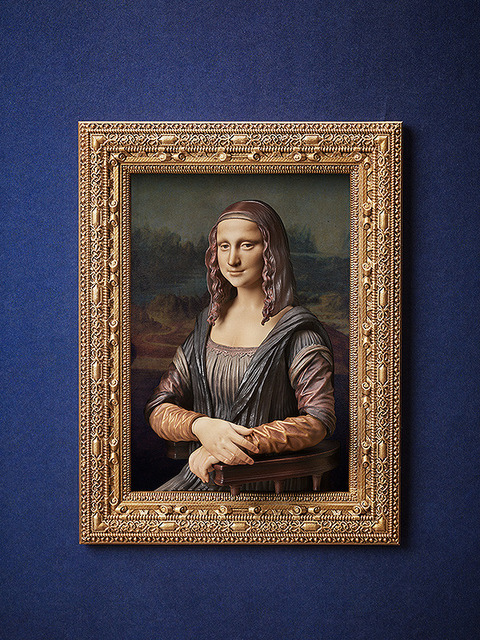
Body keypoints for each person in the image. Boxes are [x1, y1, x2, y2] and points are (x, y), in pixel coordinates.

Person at [145, 200, 335, 491]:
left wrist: (231, 444)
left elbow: (317, 421)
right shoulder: (206, 326)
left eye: (246, 245)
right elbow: (160, 406)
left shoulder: (298, 331)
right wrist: (202, 427)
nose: (232, 259)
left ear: (270, 251)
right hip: (202, 475)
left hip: (265, 482)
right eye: (224, 246)